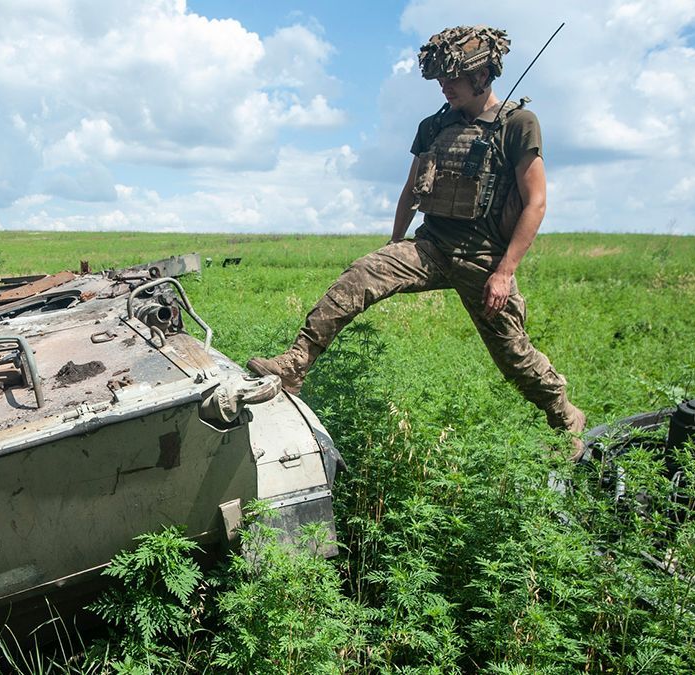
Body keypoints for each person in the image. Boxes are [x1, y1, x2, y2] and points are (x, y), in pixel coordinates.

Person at [247, 25, 586, 459]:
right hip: (431, 248)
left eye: (452, 79)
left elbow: (535, 203)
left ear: (482, 76)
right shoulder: (433, 127)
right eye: (440, 79)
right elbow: (410, 191)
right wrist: (391, 246)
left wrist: (504, 273)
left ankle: (564, 416)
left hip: (484, 259)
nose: (444, 87)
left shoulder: (517, 124)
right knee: (361, 274)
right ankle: (295, 364)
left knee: (514, 357)